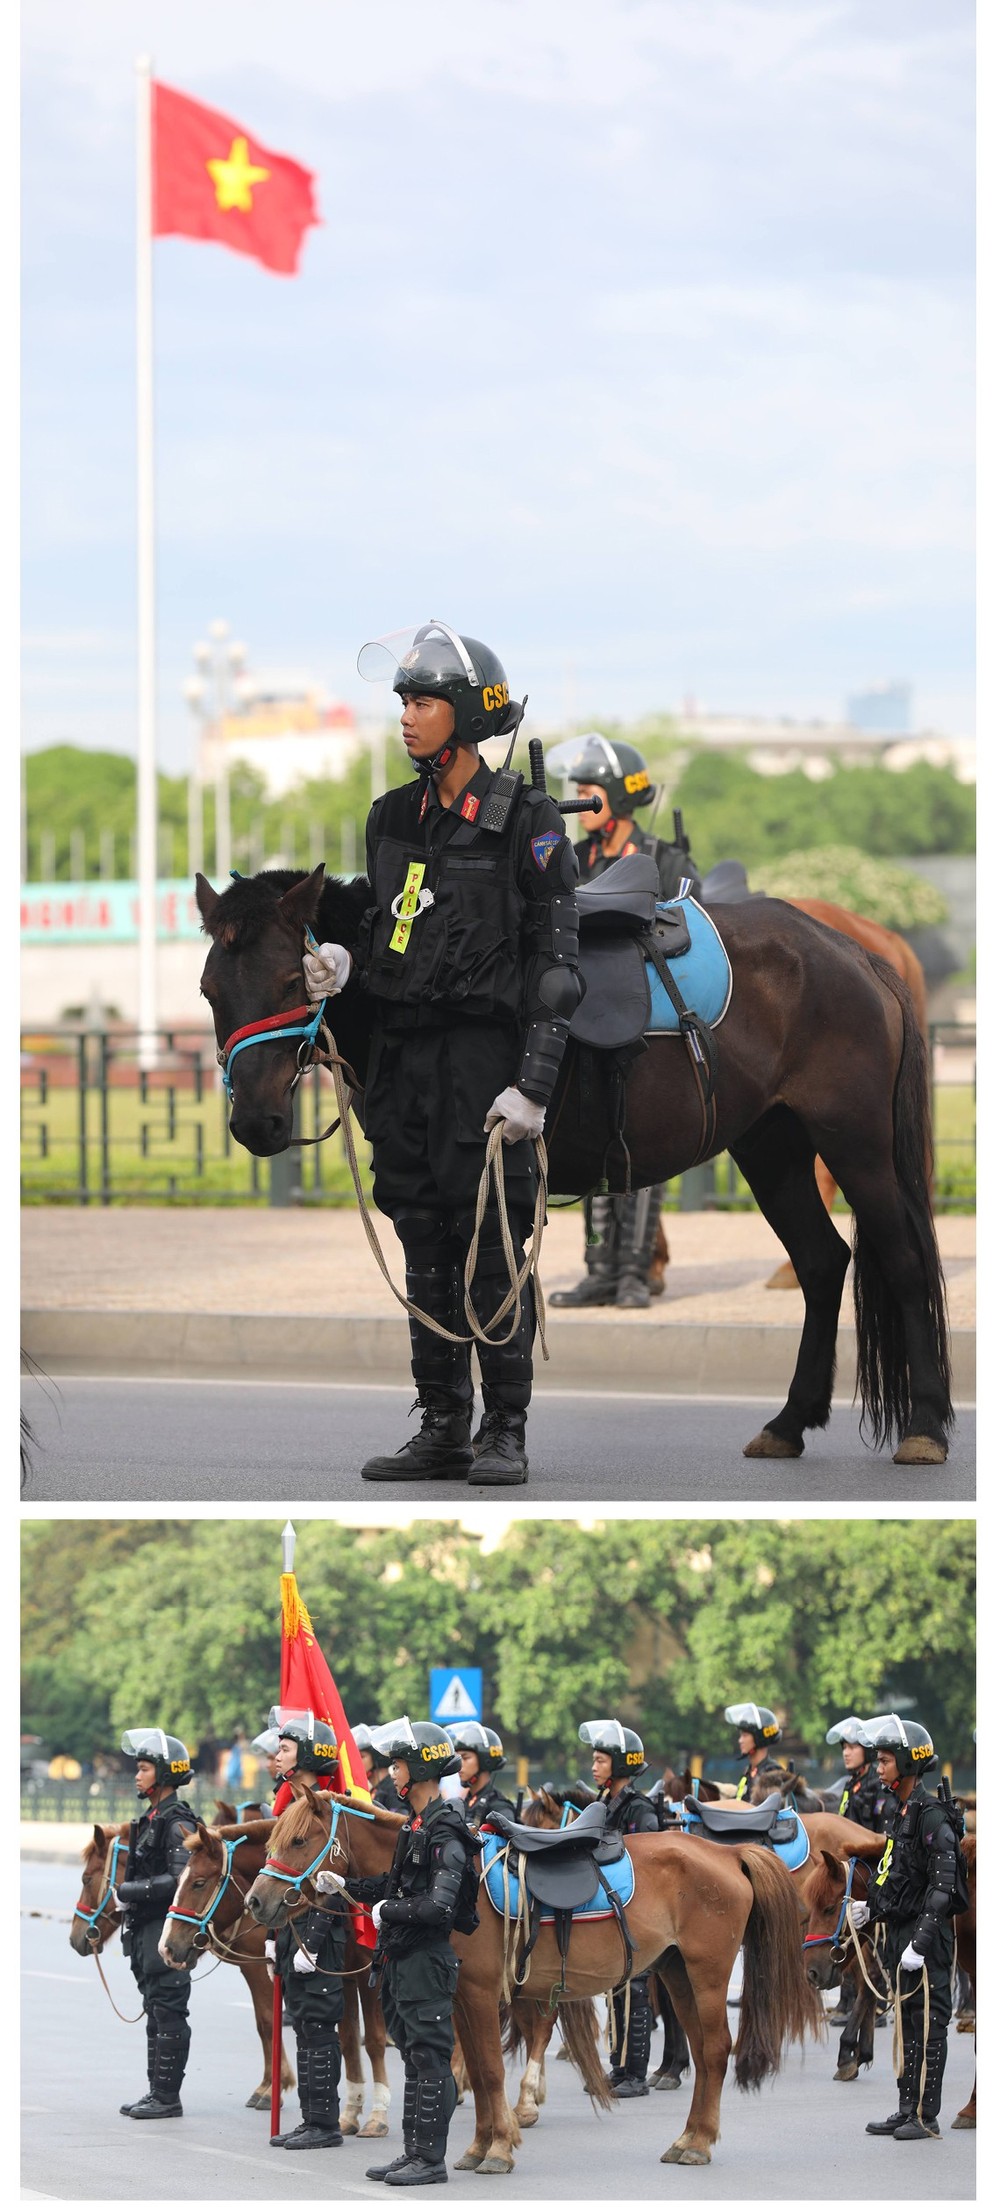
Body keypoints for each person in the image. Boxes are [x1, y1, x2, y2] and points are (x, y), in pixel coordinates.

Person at [302, 621, 582, 1487]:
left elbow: (557, 968)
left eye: (421, 701)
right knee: (423, 1240)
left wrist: (532, 1086)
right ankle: (442, 1427)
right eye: (403, 702)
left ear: (464, 716)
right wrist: (345, 966)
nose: (406, 717)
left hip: (485, 1063)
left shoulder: (526, 821)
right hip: (404, 1068)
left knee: (490, 1247)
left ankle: (506, 1429)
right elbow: (389, 929)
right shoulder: (390, 817)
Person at [549, 733, 699, 1312]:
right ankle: (598, 1270)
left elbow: (689, 932)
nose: (579, 799)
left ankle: (636, 1273)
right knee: (592, 1150)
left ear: (616, 796)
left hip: (647, 1023)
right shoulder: (574, 858)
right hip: (585, 1021)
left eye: (589, 791)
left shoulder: (665, 858)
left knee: (640, 1152)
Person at [338, 1717, 480, 2186]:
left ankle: (430, 2160)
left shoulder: (447, 1832)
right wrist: (347, 1887)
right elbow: (391, 1885)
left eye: (397, 1764)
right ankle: (411, 2152)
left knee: (430, 2058)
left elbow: (440, 1907)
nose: (391, 1772)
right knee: (413, 2058)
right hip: (401, 1959)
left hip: (426, 1959)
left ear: (420, 1769)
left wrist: (386, 1911)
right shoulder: (415, 1825)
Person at [855, 1715, 966, 2142]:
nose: (878, 1767)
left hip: (929, 1938)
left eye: (884, 1760)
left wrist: (919, 1945)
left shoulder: (932, 1816)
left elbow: (941, 1890)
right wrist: (871, 1909)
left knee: (930, 2021)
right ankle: (905, 2109)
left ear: (905, 1762)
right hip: (902, 1933)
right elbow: (895, 1876)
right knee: (906, 2020)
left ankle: (925, 2115)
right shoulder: (902, 1812)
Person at [264, 1710, 349, 2151]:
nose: (277, 1756)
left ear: (309, 1756)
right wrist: (268, 1934)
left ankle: (324, 2124)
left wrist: (311, 1943)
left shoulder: (328, 1810)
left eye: (285, 1749)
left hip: (320, 1938)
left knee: (318, 2026)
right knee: (303, 2025)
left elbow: (329, 1884)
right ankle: (310, 2118)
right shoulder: (291, 1805)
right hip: (289, 1933)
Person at [115, 1727, 199, 2120]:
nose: (138, 1774)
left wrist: (128, 1891)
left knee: (168, 2012)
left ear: (164, 1775)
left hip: (166, 1929)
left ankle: (167, 2097)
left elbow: (178, 1880)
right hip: (146, 1929)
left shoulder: (177, 1823)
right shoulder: (153, 1818)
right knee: (155, 2010)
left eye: (145, 1768)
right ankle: (156, 2092)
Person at [579, 1720, 660, 2098]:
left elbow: (648, 1861)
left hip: (636, 1906)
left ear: (621, 1765)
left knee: (636, 1988)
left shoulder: (639, 1808)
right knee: (616, 1988)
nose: (593, 1766)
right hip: (611, 1905)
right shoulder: (606, 1804)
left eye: (600, 1760)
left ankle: (636, 2075)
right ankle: (618, 2067)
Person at [826, 1716, 894, 1830]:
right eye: (844, 1747)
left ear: (867, 1751)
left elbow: (883, 1833)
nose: (846, 1753)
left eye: (852, 1747)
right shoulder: (850, 1784)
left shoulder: (880, 1785)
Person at [447, 1722, 517, 1831]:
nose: (459, 1765)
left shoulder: (499, 1807)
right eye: (457, 1758)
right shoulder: (466, 1801)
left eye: (465, 1758)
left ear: (485, 1761)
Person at [724, 1702, 787, 1798]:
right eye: (740, 1735)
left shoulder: (771, 1774)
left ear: (759, 1738)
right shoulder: (748, 1772)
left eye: (745, 1735)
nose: (740, 1740)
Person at [354, 1723, 408, 1812]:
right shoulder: (375, 1790)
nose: (356, 1761)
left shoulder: (393, 1791)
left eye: (361, 1757)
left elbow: (398, 1822)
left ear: (378, 1758)